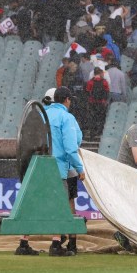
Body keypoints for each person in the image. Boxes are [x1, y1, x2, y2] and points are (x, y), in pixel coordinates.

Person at [15, 87, 84, 257]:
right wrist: (80, 169)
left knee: (30, 206)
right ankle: (55, 244)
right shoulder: (66, 118)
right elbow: (71, 147)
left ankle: (23, 243)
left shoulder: (39, 115)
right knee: (59, 206)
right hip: (57, 167)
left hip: (36, 165)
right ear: (66, 100)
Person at [84, 67, 110, 139]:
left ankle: (92, 133)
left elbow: (88, 92)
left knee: (93, 118)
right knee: (101, 117)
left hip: (92, 102)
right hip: (101, 103)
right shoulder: (104, 82)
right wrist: (105, 100)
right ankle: (100, 131)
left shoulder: (90, 82)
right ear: (100, 73)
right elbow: (107, 92)